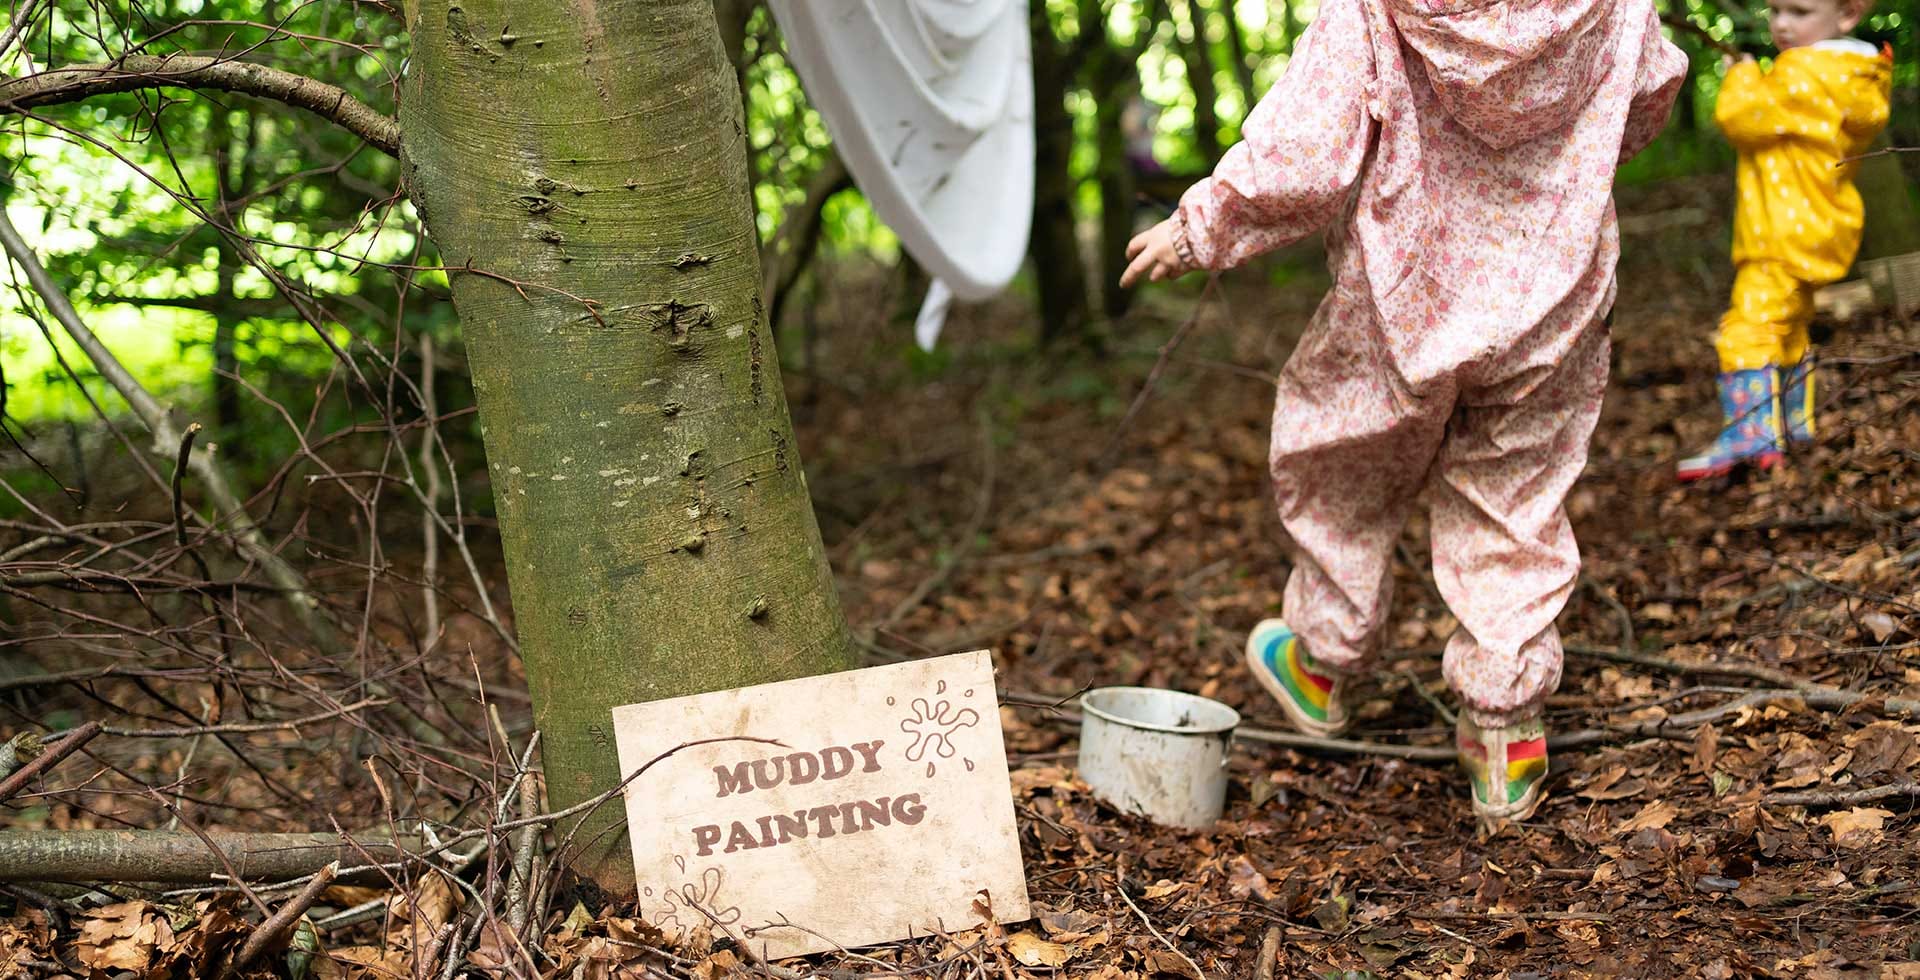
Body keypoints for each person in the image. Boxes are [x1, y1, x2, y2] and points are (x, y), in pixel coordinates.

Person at [1119, 0, 1686, 824]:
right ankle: (1504, 735)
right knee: (1516, 500)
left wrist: (1199, 228)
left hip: (1403, 294)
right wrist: (1565, 162)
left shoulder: (1375, 9)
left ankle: (1322, 657)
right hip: (1553, 295)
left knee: (1342, 462)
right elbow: (1651, 92)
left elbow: (1307, 147)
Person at [1675, 0, 1891, 481]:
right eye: (1775, 10)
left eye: (1800, 11)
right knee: (1788, 328)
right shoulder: (1855, 76)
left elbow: (1741, 117)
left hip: (1779, 234)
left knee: (1747, 330)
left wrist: (1741, 75)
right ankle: (1794, 427)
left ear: (1847, 15)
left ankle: (1751, 438)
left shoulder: (1804, 72)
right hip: (1821, 230)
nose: (1782, 24)